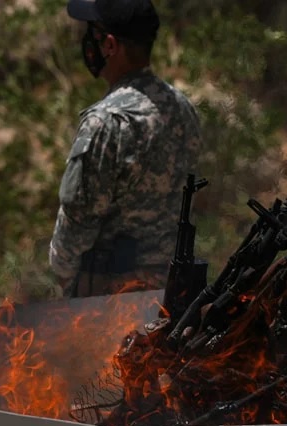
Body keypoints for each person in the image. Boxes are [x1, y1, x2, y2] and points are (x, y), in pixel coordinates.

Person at [49, 0, 203, 297]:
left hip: (109, 303)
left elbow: (78, 220)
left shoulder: (105, 121)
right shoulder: (184, 108)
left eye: (92, 33)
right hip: (170, 294)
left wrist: (64, 278)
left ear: (109, 45)